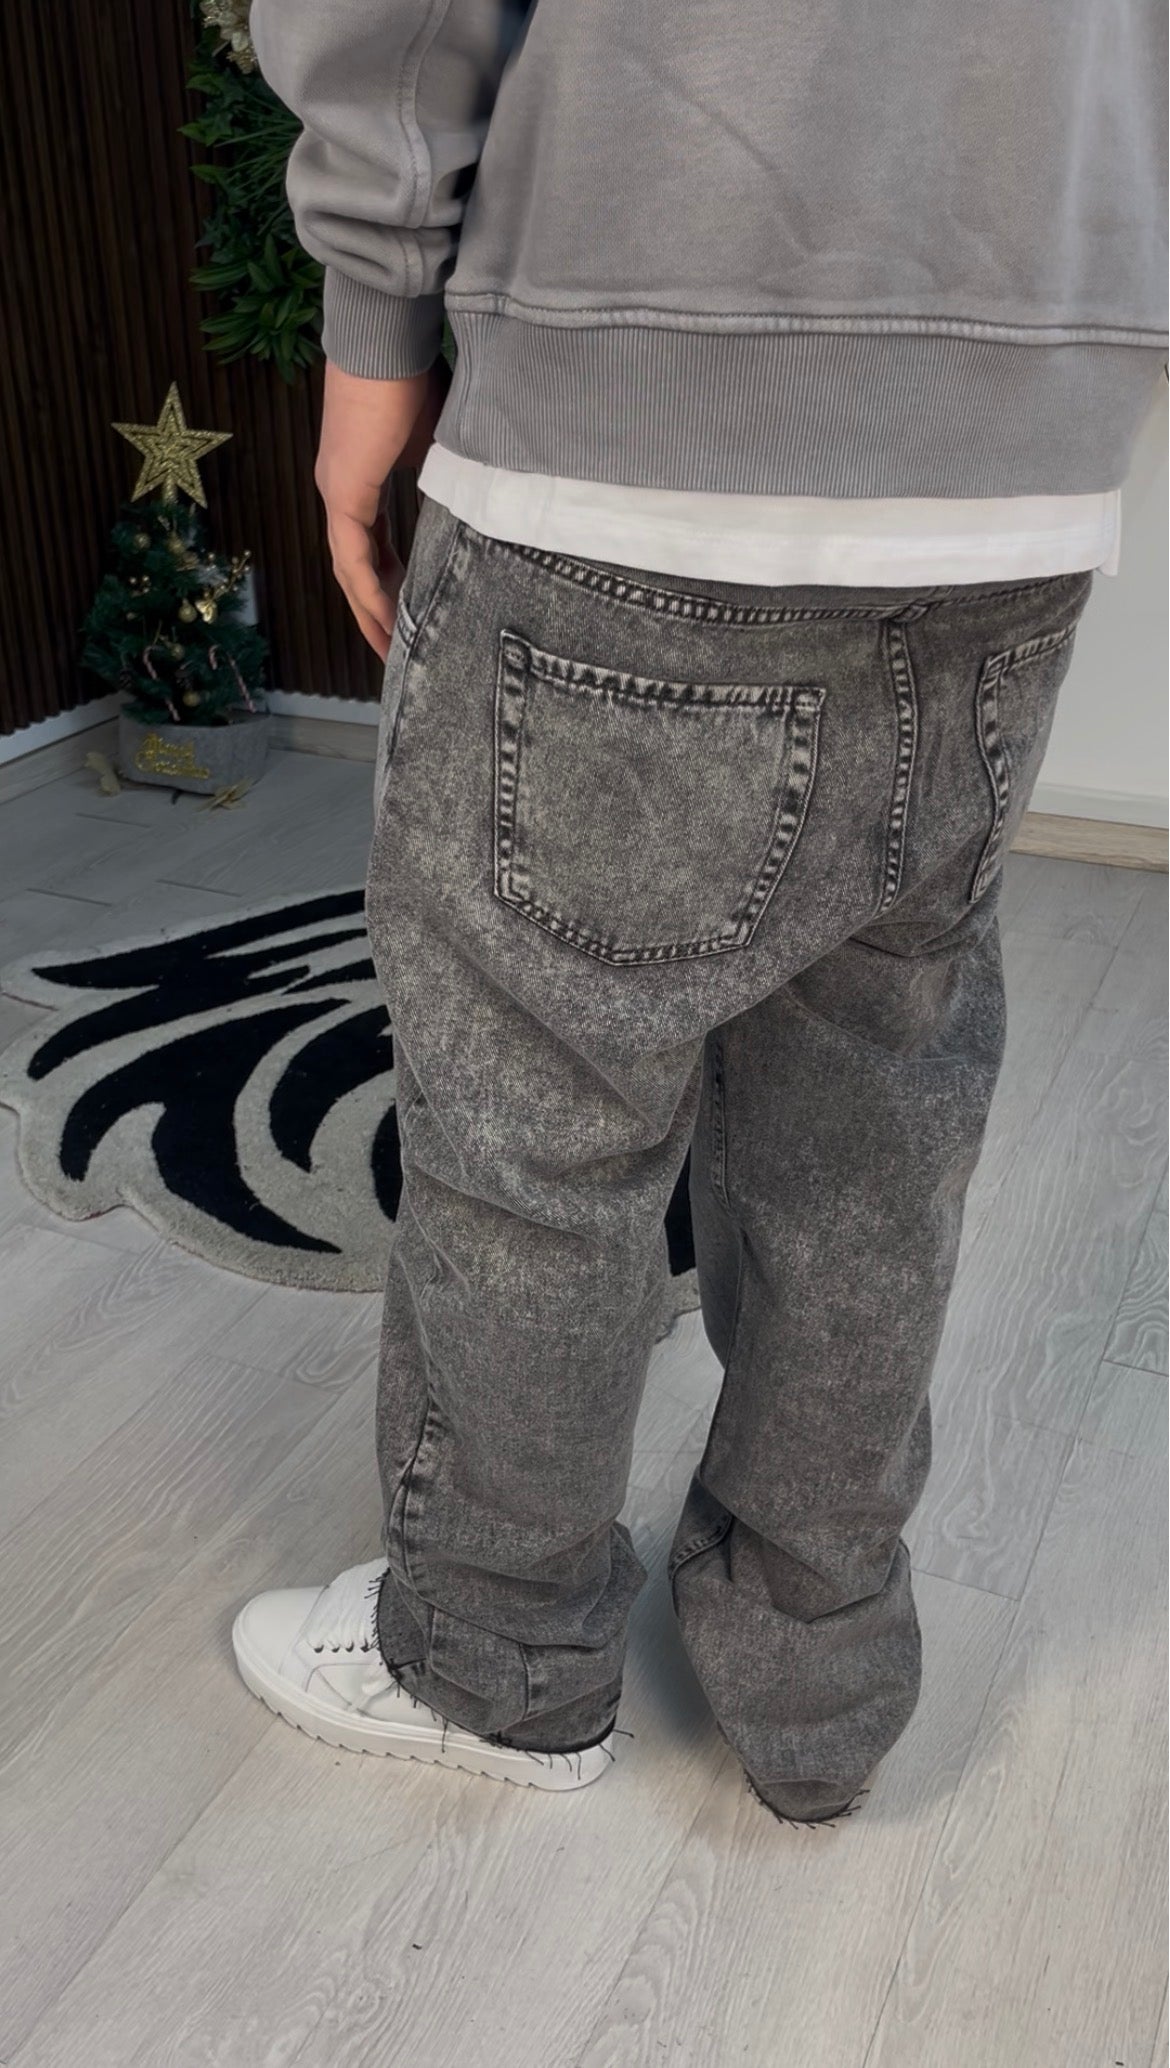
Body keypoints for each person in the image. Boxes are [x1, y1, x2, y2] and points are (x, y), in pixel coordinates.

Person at [231, 0, 1167, 1823]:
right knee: (868, 1131)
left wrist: (371, 326)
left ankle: (495, 1664)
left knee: (536, 1128)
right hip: (1022, 460)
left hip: (628, 418)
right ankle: (817, 1676)